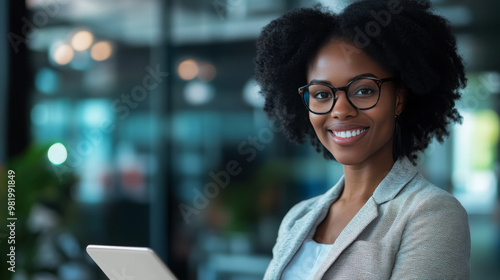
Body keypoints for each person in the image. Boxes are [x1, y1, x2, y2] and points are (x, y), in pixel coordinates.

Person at [254, 0, 470, 279]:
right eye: (321, 94)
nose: (340, 110)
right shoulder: (298, 217)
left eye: (364, 90)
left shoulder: (431, 214)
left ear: (399, 99)